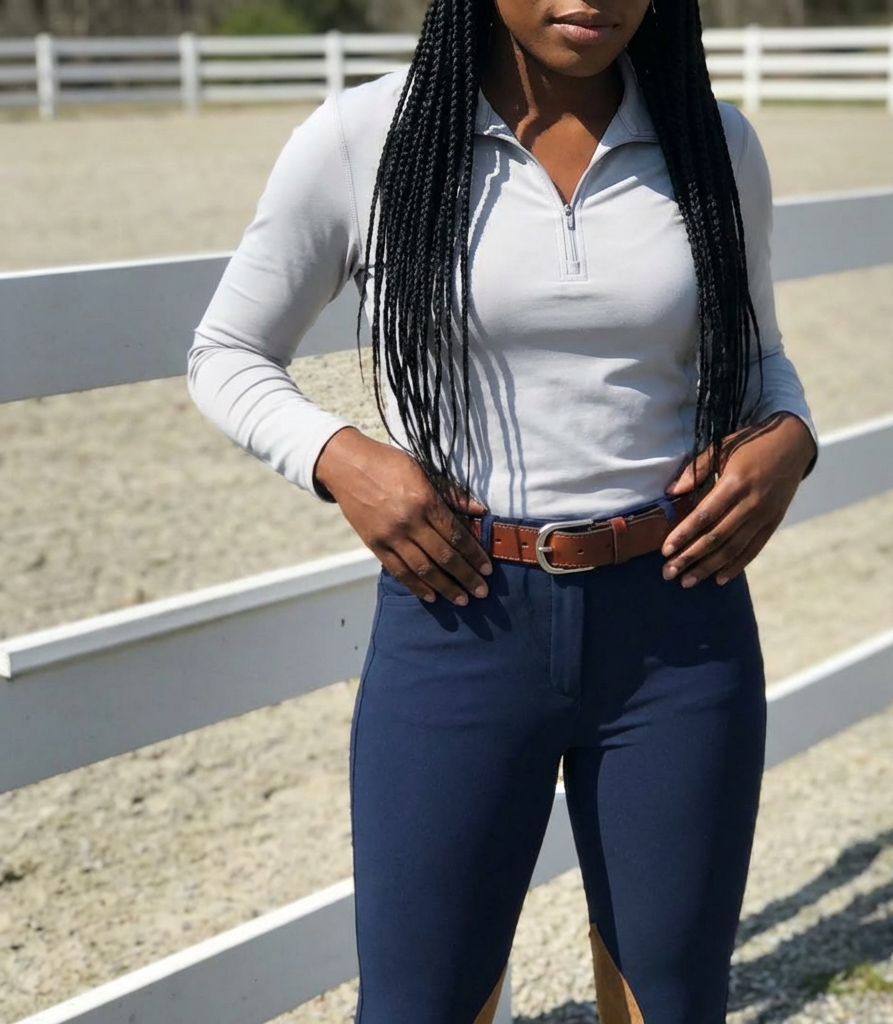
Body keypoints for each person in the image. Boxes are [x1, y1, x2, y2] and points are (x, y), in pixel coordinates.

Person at [187, 0, 818, 1020]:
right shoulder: (365, 138)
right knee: (419, 1004)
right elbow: (227, 352)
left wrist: (789, 435)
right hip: (460, 618)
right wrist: (341, 459)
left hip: (678, 623)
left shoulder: (713, 138)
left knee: (675, 1002)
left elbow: (755, 358)